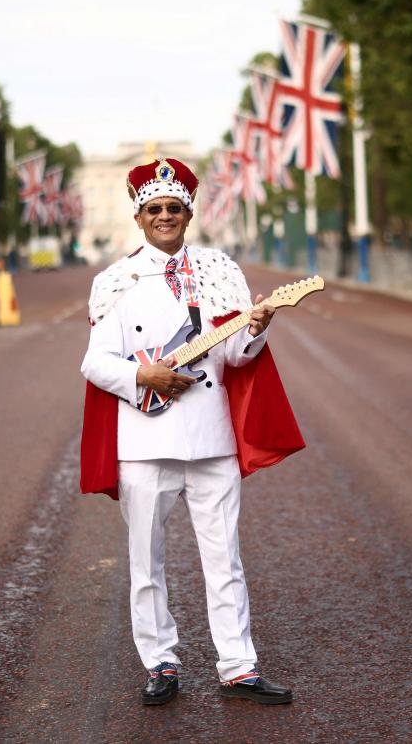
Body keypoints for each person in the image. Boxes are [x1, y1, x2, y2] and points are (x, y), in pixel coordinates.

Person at [79, 157, 304, 707]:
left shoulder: (220, 272)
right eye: (154, 208)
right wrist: (141, 374)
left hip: (210, 436)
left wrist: (253, 330)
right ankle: (160, 662)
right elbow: (94, 362)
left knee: (224, 556)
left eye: (173, 208)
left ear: (189, 212)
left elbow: (233, 355)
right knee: (146, 560)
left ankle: (239, 664)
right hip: (145, 439)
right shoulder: (115, 281)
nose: (164, 216)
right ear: (138, 217)